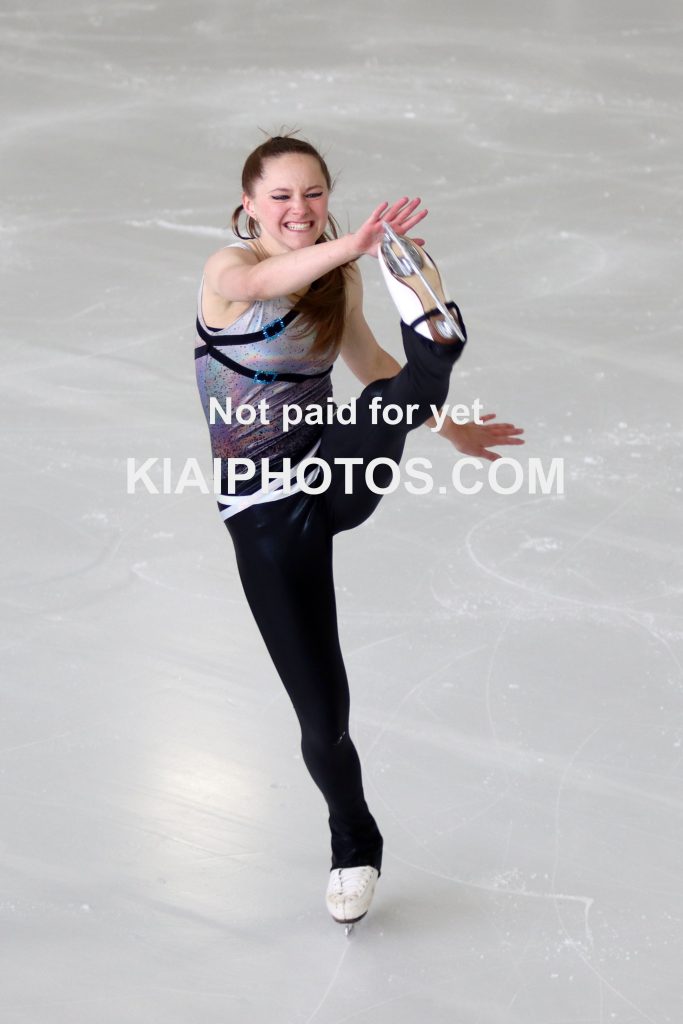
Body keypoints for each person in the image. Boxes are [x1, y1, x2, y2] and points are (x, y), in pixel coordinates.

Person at [194, 133, 524, 929]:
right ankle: (355, 836)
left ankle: (439, 340)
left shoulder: (339, 275)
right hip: (262, 514)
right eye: (280, 196)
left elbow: (373, 366)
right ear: (249, 205)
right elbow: (274, 276)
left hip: (332, 474)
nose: (298, 209)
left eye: (312, 193)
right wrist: (357, 243)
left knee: (392, 392)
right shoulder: (227, 274)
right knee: (323, 720)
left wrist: (448, 427)